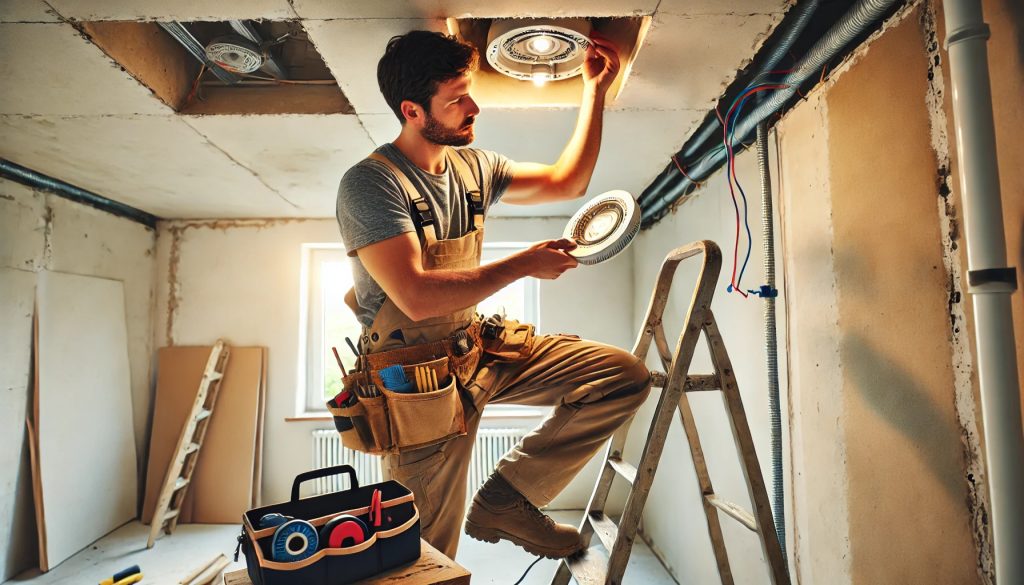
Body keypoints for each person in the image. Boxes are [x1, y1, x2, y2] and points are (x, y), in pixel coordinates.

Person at [335, 30, 651, 560]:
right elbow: (413, 296)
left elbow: (566, 182)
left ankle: (508, 497)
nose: (472, 106)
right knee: (423, 553)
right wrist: (525, 263)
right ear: (412, 110)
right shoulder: (371, 184)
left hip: (477, 349)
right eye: (456, 98)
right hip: (415, 382)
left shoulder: (475, 169)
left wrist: (593, 91)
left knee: (621, 376)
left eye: (468, 91)